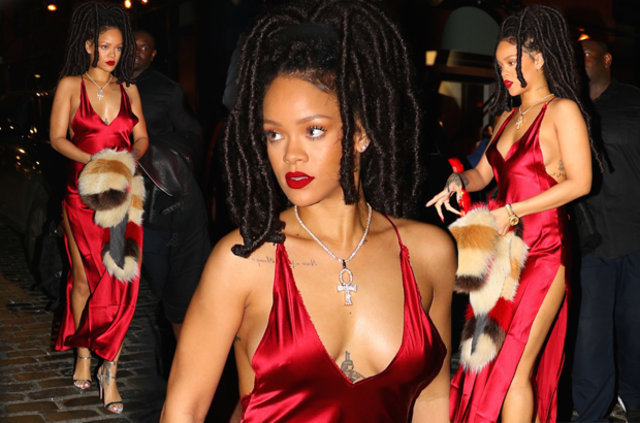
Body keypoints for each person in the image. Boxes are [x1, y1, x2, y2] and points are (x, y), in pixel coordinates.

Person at [161, 1, 455, 421]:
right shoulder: (244, 260)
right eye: (274, 134)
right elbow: (183, 411)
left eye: (313, 130)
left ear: (361, 133)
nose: (291, 155)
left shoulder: (429, 253)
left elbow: (432, 399)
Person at [428, 5, 594, 423]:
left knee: (516, 367)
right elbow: (483, 175)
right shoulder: (507, 117)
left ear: (539, 60)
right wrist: (457, 181)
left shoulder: (562, 111)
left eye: (511, 62)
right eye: (499, 64)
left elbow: (581, 183)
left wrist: (514, 210)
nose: (503, 72)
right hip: (503, 253)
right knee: (487, 358)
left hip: (546, 251)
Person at [49, 1, 149, 415]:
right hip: (81, 197)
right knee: (84, 281)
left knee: (120, 283)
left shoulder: (129, 90)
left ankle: (110, 371)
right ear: (89, 45)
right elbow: (57, 138)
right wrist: (94, 161)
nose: (113, 54)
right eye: (105, 46)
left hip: (122, 198)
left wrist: (127, 161)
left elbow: (141, 138)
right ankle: (84, 355)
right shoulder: (71, 85)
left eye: (119, 48)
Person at [571, 38, 640, 423]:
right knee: (590, 336)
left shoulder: (633, 101)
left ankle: (634, 402)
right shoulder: (567, 108)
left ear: (607, 59)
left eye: (586, 54)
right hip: (589, 240)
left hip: (635, 236)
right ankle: (591, 413)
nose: (578, 60)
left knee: (634, 330)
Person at [132, 29, 211, 342]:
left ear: (153, 55)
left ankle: (181, 347)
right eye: (132, 46)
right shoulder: (105, 87)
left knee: (168, 282)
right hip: (112, 197)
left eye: (144, 48)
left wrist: (154, 153)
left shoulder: (167, 89)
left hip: (154, 203)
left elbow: (192, 136)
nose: (136, 52)